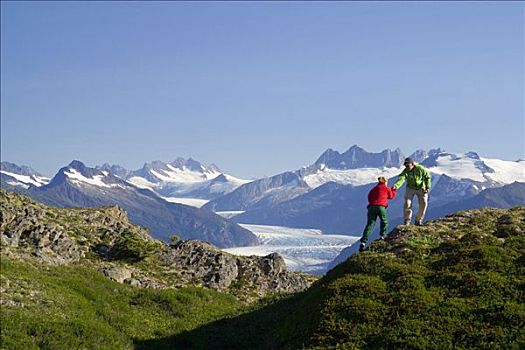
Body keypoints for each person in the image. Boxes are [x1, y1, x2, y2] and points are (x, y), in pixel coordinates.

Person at [359, 176, 396, 252]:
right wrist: (393, 190)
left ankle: (363, 242)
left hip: (371, 207)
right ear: (385, 182)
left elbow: (369, 197)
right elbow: (391, 196)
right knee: (384, 221)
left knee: (370, 224)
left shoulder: (373, 189)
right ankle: (383, 235)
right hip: (380, 207)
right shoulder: (386, 188)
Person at [392, 157, 431, 226]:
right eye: (405, 165)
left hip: (421, 187)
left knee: (424, 203)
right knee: (407, 203)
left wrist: (428, 186)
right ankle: (407, 220)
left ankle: (418, 220)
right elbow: (401, 179)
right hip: (410, 188)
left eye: (408, 165)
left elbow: (427, 176)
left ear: (412, 164)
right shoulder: (405, 171)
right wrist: (396, 186)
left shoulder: (420, 168)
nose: (406, 167)